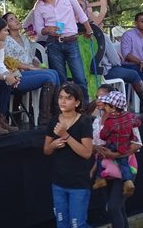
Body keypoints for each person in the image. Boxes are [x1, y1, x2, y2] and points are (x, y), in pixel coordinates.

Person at [26, 0, 93, 102]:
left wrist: (89, 30)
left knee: (79, 77)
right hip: (53, 43)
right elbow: (39, 29)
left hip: (71, 40)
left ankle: (84, 106)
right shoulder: (38, 6)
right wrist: (48, 29)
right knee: (61, 80)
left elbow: (80, 13)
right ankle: (65, 107)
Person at [43, 83, 93, 228]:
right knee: (61, 224)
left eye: (68, 98)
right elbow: (46, 150)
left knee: (77, 224)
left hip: (78, 184)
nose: (63, 101)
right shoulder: (54, 121)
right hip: (58, 183)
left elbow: (87, 153)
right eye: (60, 97)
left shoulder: (84, 121)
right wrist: (53, 145)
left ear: (77, 102)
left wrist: (66, 135)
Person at [3, 12, 60, 125]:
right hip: (18, 74)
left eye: (15, 17)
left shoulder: (24, 38)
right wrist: (30, 68)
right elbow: (8, 61)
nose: (16, 20)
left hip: (29, 70)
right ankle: (44, 117)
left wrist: (37, 64)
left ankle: (55, 112)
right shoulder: (6, 40)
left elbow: (30, 57)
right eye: (11, 19)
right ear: (7, 26)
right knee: (49, 76)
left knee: (54, 73)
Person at [101, 33, 143, 114]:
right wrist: (117, 57)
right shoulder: (101, 35)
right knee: (134, 74)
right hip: (105, 71)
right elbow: (116, 61)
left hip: (96, 72)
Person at [98, 90, 137, 197]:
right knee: (124, 163)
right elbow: (138, 122)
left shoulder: (110, 121)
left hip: (113, 146)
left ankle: (99, 178)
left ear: (113, 108)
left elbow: (103, 136)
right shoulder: (130, 116)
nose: (104, 106)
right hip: (124, 146)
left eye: (106, 105)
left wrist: (112, 154)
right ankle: (128, 181)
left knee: (100, 158)